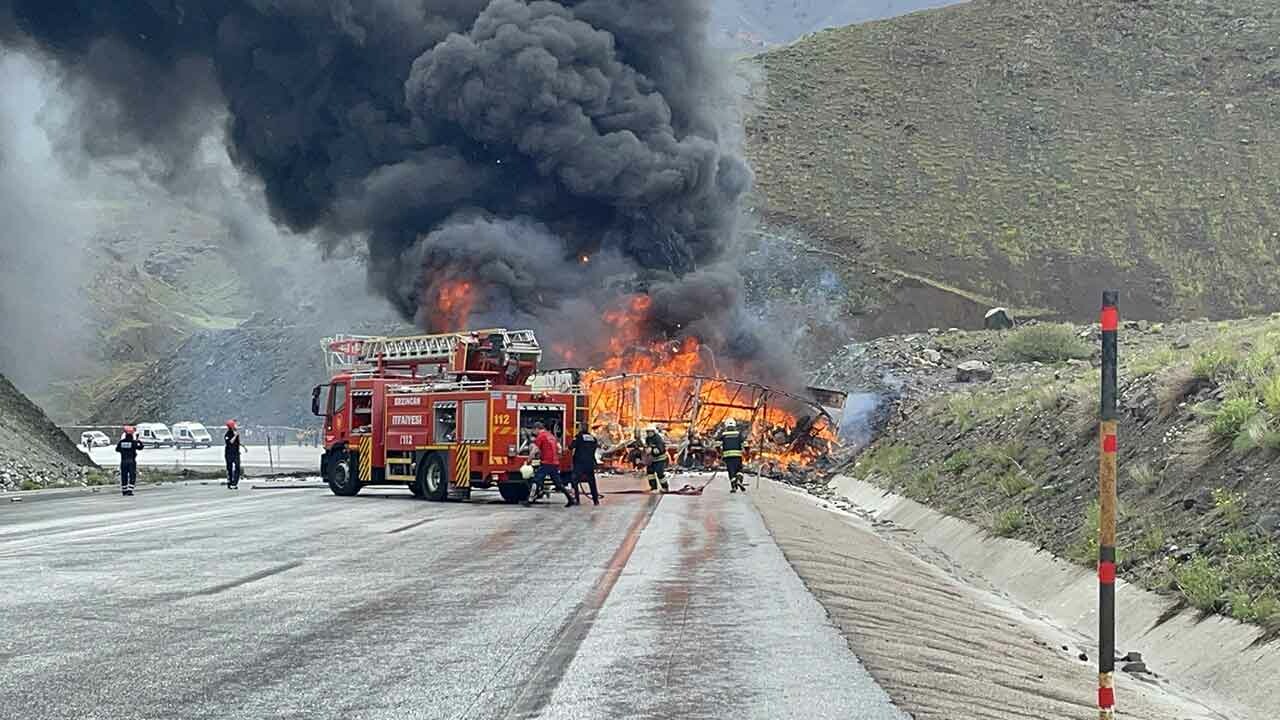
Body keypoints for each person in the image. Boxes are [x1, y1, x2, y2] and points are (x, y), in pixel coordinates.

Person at [526, 421, 574, 507]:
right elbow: (559, 449)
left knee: (536, 481)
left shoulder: (541, 436)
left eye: (534, 431)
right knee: (558, 483)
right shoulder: (551, 436)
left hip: (546, 463)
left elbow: (535, 450)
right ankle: (570, 499)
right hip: (554, 463)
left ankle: (530, 500)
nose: (534, 433)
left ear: (537, 429)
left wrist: (529, 460)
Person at [569, 426, 601, 506]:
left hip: (580, 463)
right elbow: (595, 448)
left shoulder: (579, 437)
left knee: (574, 480)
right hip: (590, 463)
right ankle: (595, 500)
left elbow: (571, 447)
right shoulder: (593, 438)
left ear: (580, 429)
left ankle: (577, 500)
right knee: (592, 482)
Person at [718, 418, 747, 493]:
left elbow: (717, 444)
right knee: (740, 469)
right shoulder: (738, 434)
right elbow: (745, 444)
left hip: (727, 456)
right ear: (734, 426)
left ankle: (734, 486)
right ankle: (739, 480)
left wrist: (719, 453)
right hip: (737, 455)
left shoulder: (723, 435)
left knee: (731, 471)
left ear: (726, 426)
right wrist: (747, 451)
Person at [115, 426, 144, 496]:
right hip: (131, 461)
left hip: (123, 461)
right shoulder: (133, 442)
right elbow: (140, 447)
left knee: (124, 476)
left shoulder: (121, 442)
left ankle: (124, 490)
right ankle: (130, 490)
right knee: (132, 476)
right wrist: (138, 441)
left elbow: (117, 449)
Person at [644, 425, 669, 494]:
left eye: (650, 432)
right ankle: (653, 487)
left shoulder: (658, 439)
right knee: (650, 473)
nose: (649, 433)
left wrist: (651, 451)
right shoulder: (647, 439)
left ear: (653, 432)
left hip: (660, 459)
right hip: (651, 459)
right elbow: (646, 446)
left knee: (660, 473)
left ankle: (665, 487)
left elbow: (660, 450)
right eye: (647, 432)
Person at [224, 420, 244, 490]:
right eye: (235, 424)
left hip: (236, 453)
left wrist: (241, 446)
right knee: (229, 468)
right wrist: (235, 436)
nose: (236, 426)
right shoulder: (227, 434)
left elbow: (236, 443)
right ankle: (229, 482)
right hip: (229, 454)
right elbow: (230, 442)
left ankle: (235, 483)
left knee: (237, 467)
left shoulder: (236, 433)